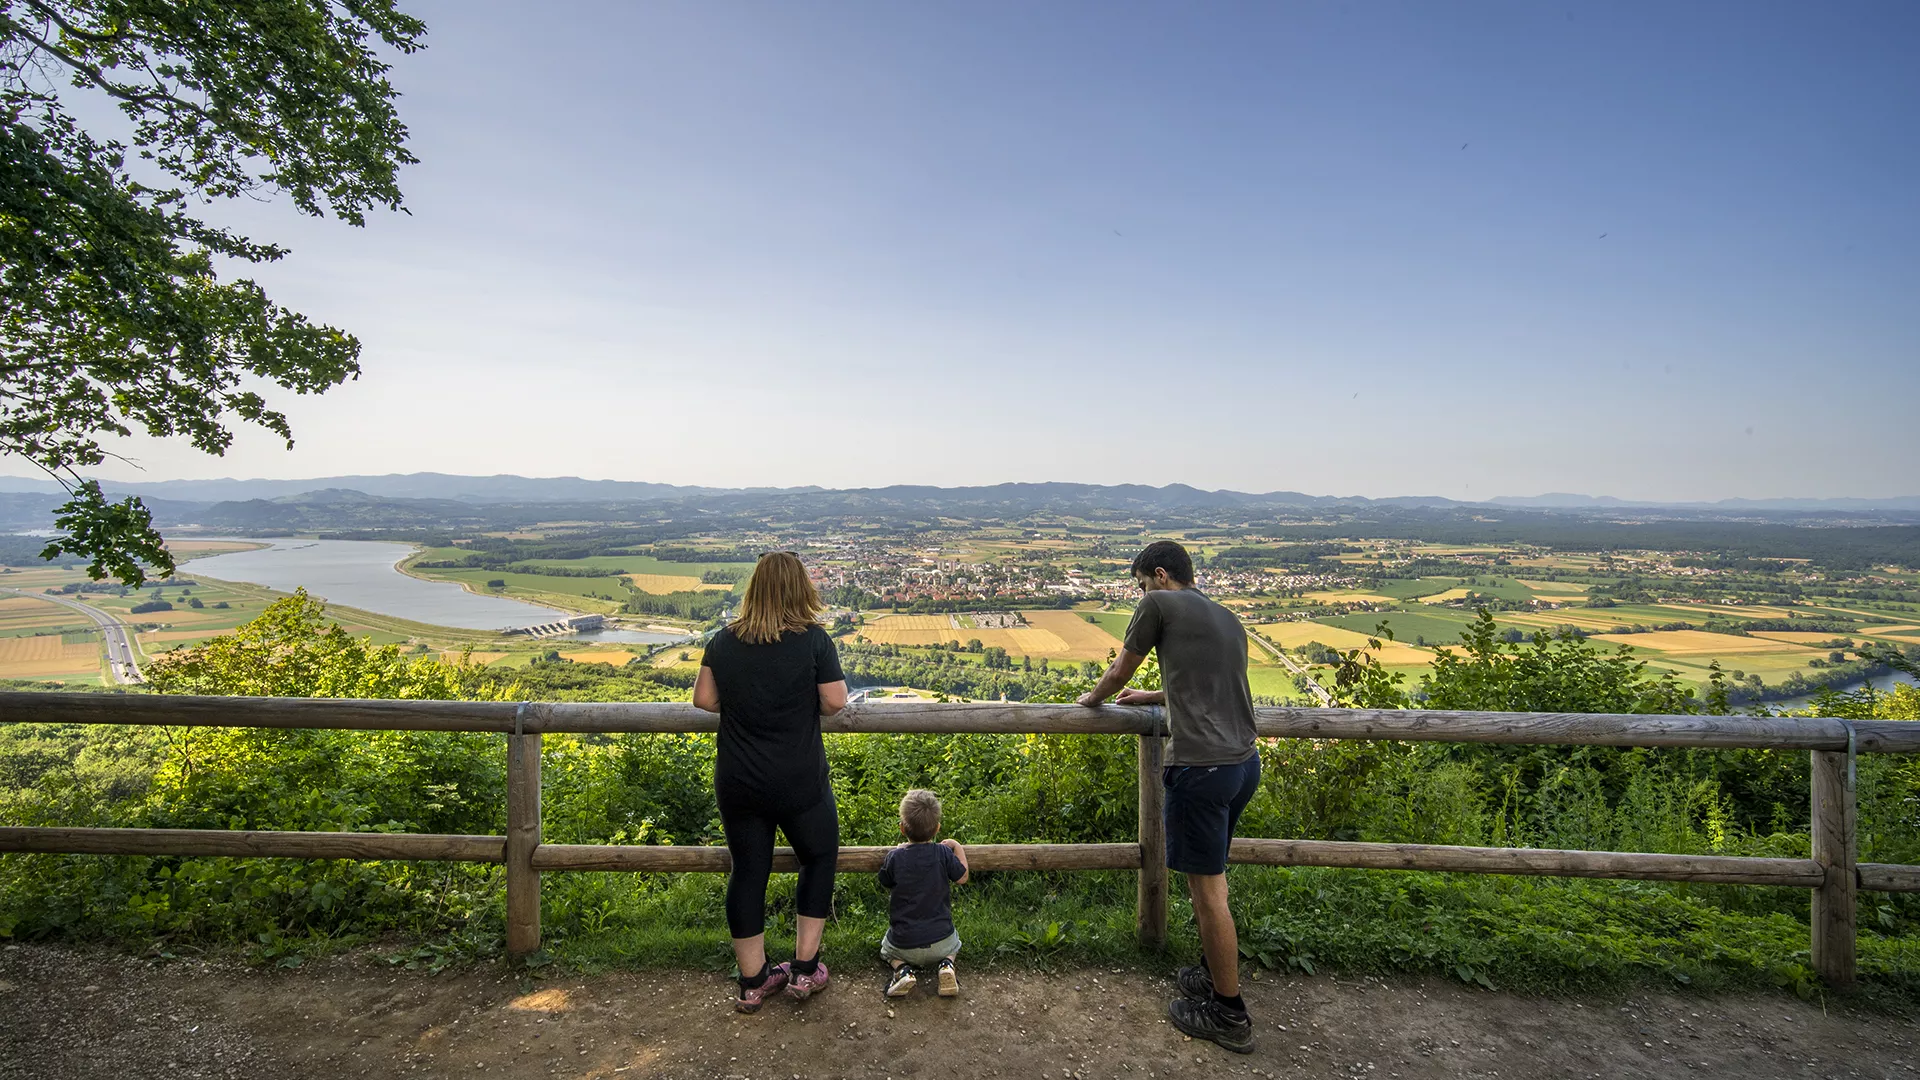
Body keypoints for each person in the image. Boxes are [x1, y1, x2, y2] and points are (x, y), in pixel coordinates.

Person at [1077, 540, 1260, 1054]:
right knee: (1214, 880)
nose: (1141, 593)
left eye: (1141, 583)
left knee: (1208, 893)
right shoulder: (1227, 617)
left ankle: (1229, 1012)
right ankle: (1212, 973)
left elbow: (1120, 670)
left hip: (1202, 767)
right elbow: (1209, 682)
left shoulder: (1158, 604)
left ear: (1159, 575)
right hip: (1244, 764)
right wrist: (1156, 697)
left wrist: (1090, 700)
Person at [693, 551, 849, 1012]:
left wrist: (744, 701)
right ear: (801, 589)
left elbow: (703, 699)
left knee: (748, 871)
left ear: (755, 588)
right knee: (818, 858)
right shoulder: (814, 641)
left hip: (739, 779)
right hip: (799, 779)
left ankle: (753, 981)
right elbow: (836, 701)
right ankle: (805, 970)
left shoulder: (724, 641)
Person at [876, 789, 970, 998]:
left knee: (886, 950)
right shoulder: (943, 853)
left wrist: (899, 851)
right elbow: (962, 877)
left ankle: (903, 970)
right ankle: (947, 965)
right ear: (937, 828)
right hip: (942, 942)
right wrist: (957, 846)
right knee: (955, 945)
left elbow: (885, 881)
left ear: (902, 828)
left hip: (903, 943)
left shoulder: (895, 857)